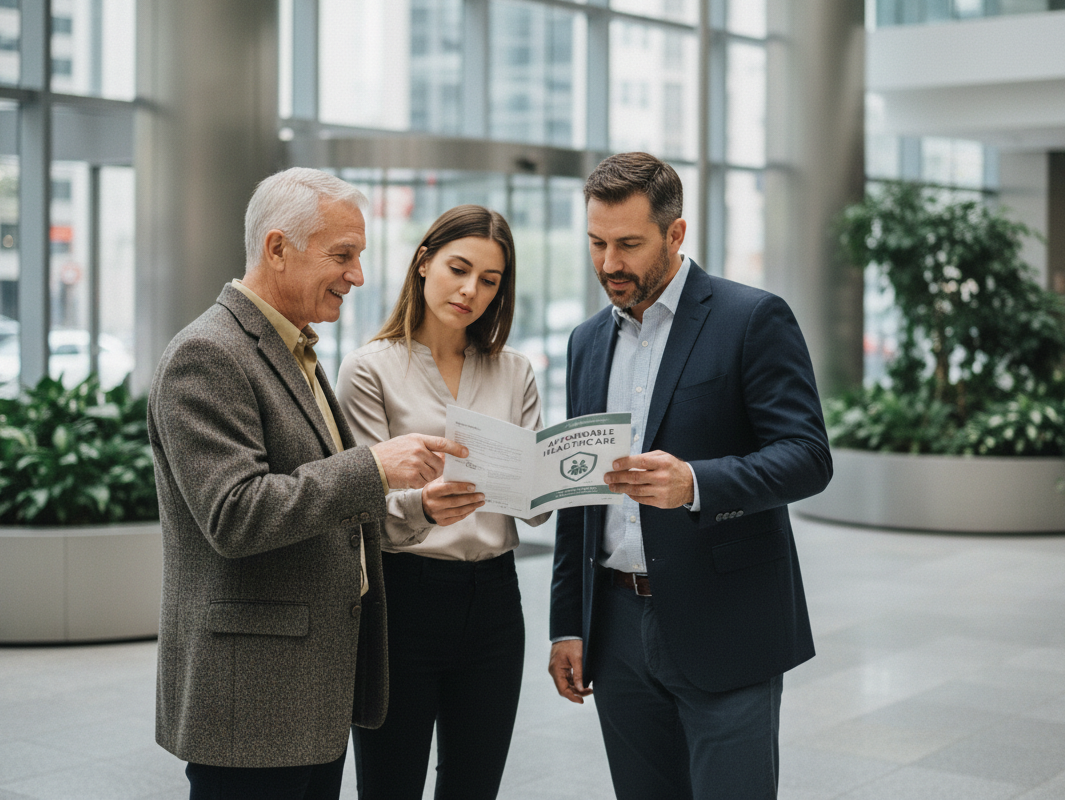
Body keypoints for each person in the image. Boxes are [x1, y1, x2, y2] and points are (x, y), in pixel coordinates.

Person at [147, 167, 468, 800]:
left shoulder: (295, 349)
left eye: (360, 256)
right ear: (276, 248)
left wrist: (413, 503)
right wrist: (374, 468)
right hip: (252, 704)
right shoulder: (206, 355)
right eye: (342, 255)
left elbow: (315, 502)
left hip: (307, 695)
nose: (358, 275)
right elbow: (235, 514)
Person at [547, 153, 832, 800]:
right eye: (596, 242)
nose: (609, 263)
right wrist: (569, 623)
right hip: (615, 631)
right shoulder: (586, 342)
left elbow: (808, 456)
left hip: (726, 623)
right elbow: (578, 496)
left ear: (676, 235)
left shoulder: (752, 319)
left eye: (628, 244)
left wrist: (695, 484)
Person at [337, 204, 549, 800]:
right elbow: (359, 506)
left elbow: (533, 505)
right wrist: (423, 508)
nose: (470, 291)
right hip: (402, 599)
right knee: (390, 785)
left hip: (495, 603)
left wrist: (556, 484)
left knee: (475, 787)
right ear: (424, 261)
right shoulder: (369, 371)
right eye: (459, 268)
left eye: (490, 281)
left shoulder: (515, 371)